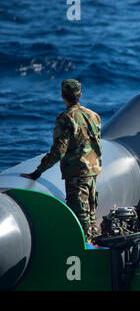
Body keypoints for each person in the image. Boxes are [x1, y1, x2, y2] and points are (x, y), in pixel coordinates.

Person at [21, 79, 102, 243]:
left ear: (63, 96)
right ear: (80, 95)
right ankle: (96, 249)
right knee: (92, 216)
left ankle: (85, 253)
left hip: (77, 173)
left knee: (81, 218)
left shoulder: (66, 118)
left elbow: (59, 151)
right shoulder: (93, 115)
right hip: (93, 170)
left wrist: (38, 172)